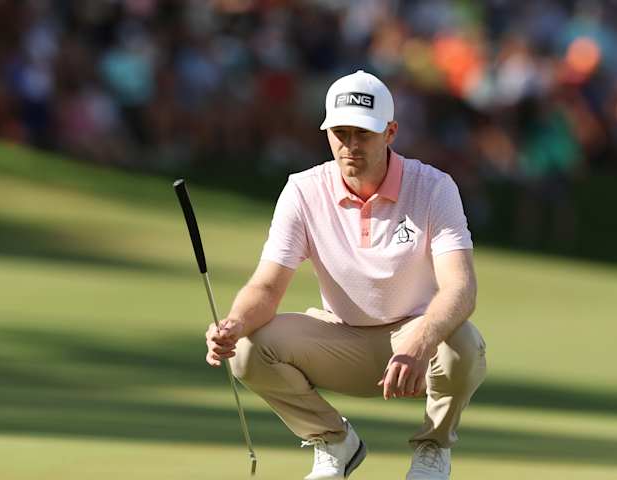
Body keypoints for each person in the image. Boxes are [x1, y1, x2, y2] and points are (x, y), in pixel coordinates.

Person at [205, 70, 487, 480]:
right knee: (248, 349)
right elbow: (267, 286)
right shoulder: (303, 190)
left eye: (364, 134)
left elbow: (461, 287)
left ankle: (433, 449)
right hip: (340, 339)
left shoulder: (433, 187)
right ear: (326, 133)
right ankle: (335, 442)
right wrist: (232, 324)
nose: (350, 145)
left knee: (463, 341)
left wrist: (422, 340)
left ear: (390, 132)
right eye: (340, 132)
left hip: (416, 339)